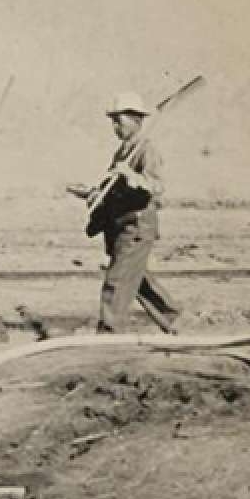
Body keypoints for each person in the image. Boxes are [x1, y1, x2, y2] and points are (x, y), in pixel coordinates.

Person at [89, 92, 181, 334]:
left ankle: (109, 333)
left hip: (137, 225)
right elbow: (112, 189)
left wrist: (132, 176)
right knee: (135, 278)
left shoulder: (146, 150)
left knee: (117, 280)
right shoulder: (123, 152)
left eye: (119, 120)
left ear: (136, 120)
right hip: (119, 225)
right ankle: (170, 316)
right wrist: (93, 194)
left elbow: (156, 186)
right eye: (113, 121)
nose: (115, 126)